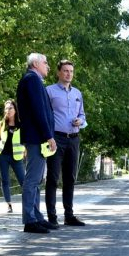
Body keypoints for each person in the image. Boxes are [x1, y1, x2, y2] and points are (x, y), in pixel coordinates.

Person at [15, 53, 58, 234]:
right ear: (35, 64)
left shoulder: (34, 80)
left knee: (37, 179)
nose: (48, 66)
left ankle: (37, 217)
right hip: (36, 137)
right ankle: (29, 220)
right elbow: (38, 110)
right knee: (32, 179)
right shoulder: (31, 80)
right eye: (45, 62)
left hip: (37, 136)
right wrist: (48, 135)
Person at [45, 59, 86, 226]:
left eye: (71, 71)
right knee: (53, 178)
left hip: (74, 139)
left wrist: (80, 121)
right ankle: (52, 217)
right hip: (56, 138)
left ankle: (69, 215)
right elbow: (45, 116)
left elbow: (83, 115)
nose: (69, 74)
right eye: (66, 71)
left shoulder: (77, 93)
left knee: (70, 178)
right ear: (58, 73)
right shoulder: (49, 91)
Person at [0, 99, 26, 213]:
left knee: (24, 181)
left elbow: (25, 139)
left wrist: (25, 151)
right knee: (5, 180)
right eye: (6, 108)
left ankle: (28, 202)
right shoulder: (2, 124)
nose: (8, 110)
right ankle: (9, 204)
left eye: (10, 108)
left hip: (17, 157)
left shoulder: (21, 124)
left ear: (15, 110)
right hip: (2, 155)